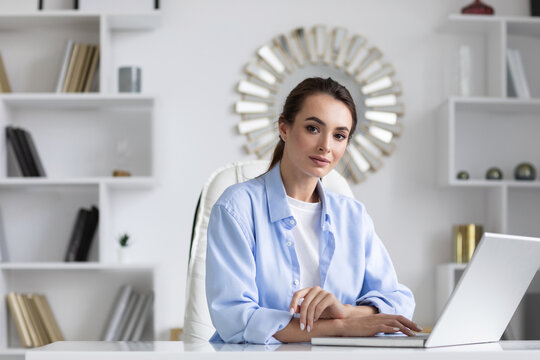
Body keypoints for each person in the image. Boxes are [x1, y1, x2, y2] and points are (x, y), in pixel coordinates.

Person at [206, 77, 419, 344]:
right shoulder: (237, 207)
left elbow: (399, 301)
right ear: (284, 128)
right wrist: (341, 328)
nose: (326, 147)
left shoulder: (353, 216)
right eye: (313, 128)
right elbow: (236, 319)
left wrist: (347, 312)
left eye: (339, 135)